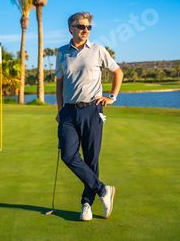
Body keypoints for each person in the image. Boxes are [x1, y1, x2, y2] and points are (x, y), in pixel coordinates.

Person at [55, 12, 124, 221]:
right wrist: (59, 110)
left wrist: (112, 96)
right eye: (81, 26)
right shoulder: (61, 52)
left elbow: (117, 72)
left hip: (92, 110)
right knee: (68, 155)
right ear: (71, 28)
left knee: (91, 158)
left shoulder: (98, 50)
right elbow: (59, 83)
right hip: (68, 111)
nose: (85, 30)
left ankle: (87, 204)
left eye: (88, 27)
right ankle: (103, 190)